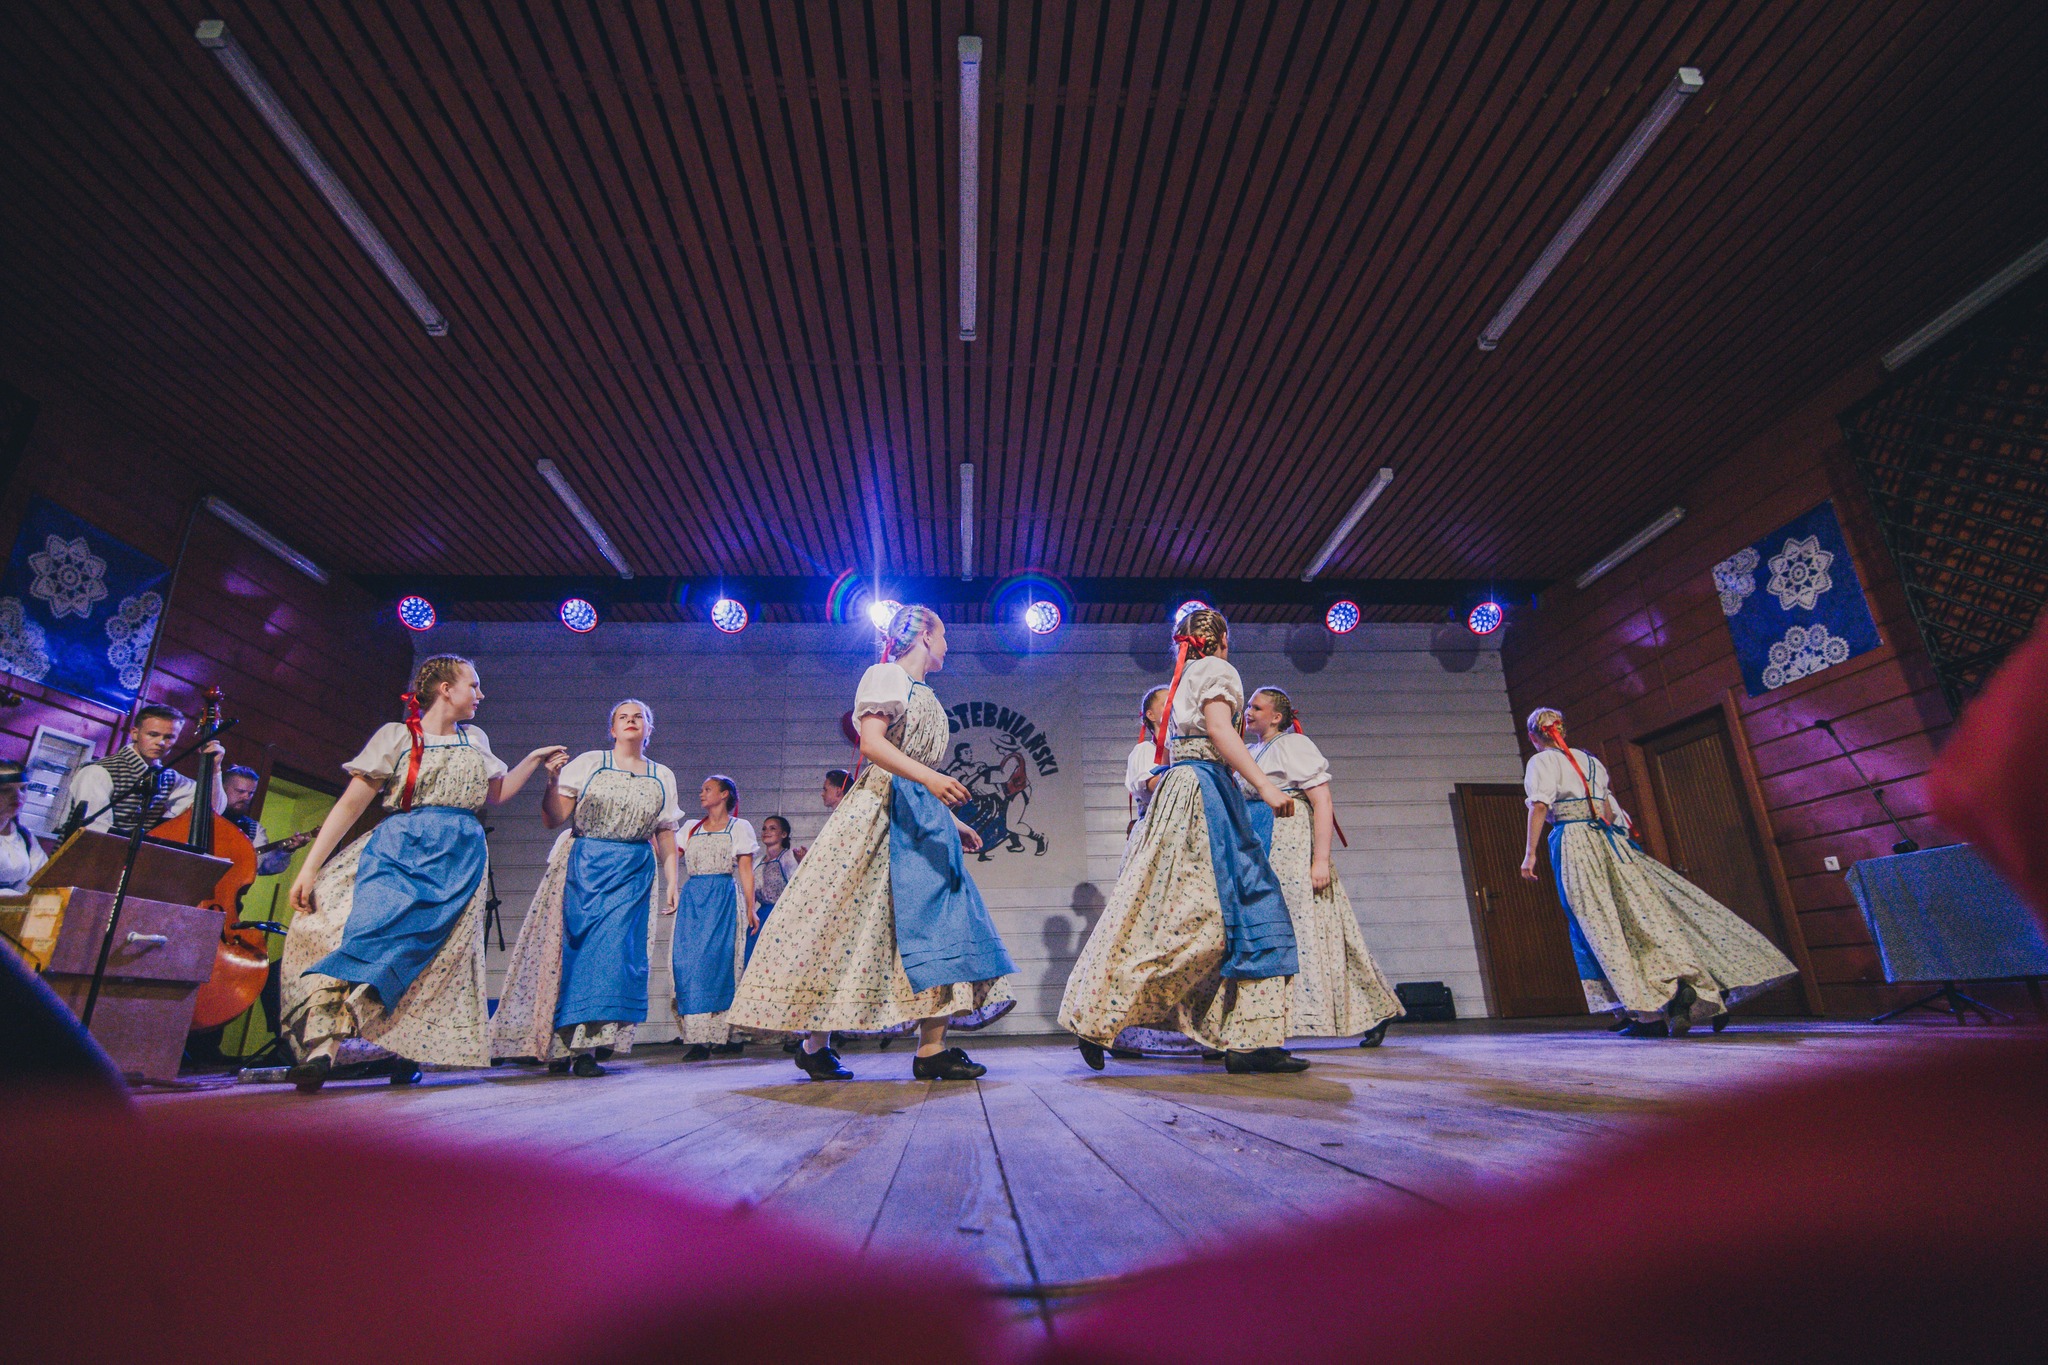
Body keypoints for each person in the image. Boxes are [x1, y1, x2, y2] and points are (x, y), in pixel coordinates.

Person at [729, 605, 1016, 1082]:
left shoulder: (927, 696)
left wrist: (951, 819)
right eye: (944, 635)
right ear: (926, 634)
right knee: (849, 923)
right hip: (879, 813)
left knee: (944, 920)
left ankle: (932, 1049)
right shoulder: (886, 675)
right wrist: (932, 780)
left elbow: (917, 768)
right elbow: (873, 745)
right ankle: (814, 1045)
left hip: (922, 818)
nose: (948, 646)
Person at [278, 655, 564, 1093]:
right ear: (446, 689)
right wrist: (311, 866)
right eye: (473, 685)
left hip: (458, 857)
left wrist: (532, 760)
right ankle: (323, 1051)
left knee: (433, 955)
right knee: (361, 936)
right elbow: (351, 804)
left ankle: (404, 1054)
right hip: (400, 848)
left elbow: (497, 793)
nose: (481, 694)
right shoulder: (397, 736)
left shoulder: (475, 739)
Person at [1059, 609, 1305, 1074]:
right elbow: (1219, 731)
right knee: (1230, 913)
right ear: (1223, 639)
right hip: (1204, 791)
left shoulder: (1185, 677)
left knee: (1179, 913)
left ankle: (1247, 1038)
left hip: (1191, 788)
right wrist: (1266, 786)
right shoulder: (1216, 670)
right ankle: (1245, 1040)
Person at [1519, 707, 1798, 1036]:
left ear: (1533, 736)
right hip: (1609, 842)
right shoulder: (1591, 762)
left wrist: (1530, 854)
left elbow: (1540, 805)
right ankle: (1683, 992)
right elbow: (1607, 811)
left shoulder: (1542, 761)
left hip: (1576, 842)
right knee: (1640, 916)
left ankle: (1649, 1013)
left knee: (1601, 925)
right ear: (1562, 730)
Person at [491, 700, 681, 1077]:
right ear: (612, 729)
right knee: (571, 954)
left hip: (632, 871)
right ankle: (558, 1045)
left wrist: (673, 880)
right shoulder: (590, 762)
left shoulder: (663, 774)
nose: (631, 721)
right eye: (623, 717)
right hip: (586, 865)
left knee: (610, 958)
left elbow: (665, 832)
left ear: (649, 729)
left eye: (638, 717)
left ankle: (587, 1047)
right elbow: (554, 818)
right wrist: (551, 782)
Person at [1242, 687, 1404, 1047]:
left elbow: (1323, 801)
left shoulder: (1294, 745)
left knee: (1316, 927)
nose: (1248, 711)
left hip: (1291, 841)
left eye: (1257, 707)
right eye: (1248, 705)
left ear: (1277, 717)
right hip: (1260, 842)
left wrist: (1320, 860)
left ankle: (1375, 1009)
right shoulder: (1250, 752)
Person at [669, 775, 758, 1060]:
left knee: (719, 964)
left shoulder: (739, 827)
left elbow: (745, 870)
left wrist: (751, 907)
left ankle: (722, 1035)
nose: (701, 793)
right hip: (694, 899)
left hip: (722, 898)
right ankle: (696, 1037)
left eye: (707, 789)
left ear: (724, 794)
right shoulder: (690, 828)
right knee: (688, 965)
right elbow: (669, 854)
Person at [66, 704, 226, 836]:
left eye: (169, 737)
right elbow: (94, 830)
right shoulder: (98, 771)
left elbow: (210, 811)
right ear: (135, 734)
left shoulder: (169, 778)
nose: (160, 742)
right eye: (153, 734)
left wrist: (214, 771)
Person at [219, 766, 312, 877]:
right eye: (240, 791)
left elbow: (265, 866)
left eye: (251, 793)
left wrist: (286, 851)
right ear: (223, 787)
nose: (246, 797)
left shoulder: (253, 828)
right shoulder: (204, 815)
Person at [751, 815, 799, 964]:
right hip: (761, 915)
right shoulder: (758, 861)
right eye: (764, 828)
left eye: (772, 828)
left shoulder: (790, 858)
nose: (766, 831)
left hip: (782, 915)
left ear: (783, 834)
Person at [0, 762, 49, 894]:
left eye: (23, 789)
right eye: (5, 790)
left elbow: (40, 880)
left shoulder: (25, 836)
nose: (18, 796)